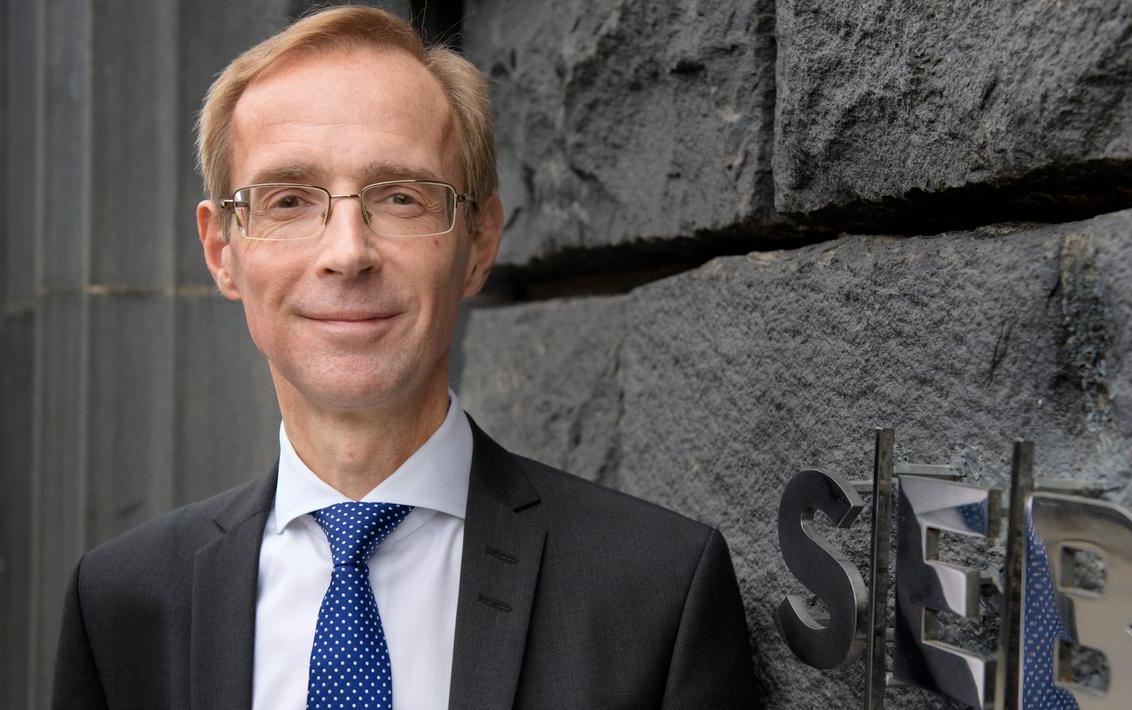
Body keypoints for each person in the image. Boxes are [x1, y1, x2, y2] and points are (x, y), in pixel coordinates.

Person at [51, 6, 759, 709]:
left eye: (400, 197)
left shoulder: (657, 591)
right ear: (221, 251)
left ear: (478, 243)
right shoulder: (121, 606)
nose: (348, 252)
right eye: (289, 200)